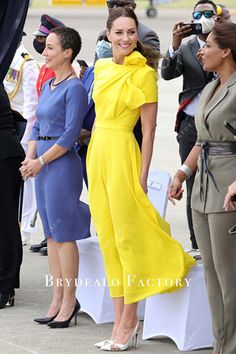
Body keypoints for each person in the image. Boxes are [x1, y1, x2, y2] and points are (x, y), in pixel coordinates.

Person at [87, 8, 196, 351]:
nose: (125, 38)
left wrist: (143, 174)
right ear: (107, 35)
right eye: (118, 32)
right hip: (97, 154)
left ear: (137, 35)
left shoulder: (144, 75)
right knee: (107, 238)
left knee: (127, 238)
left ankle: (129, 320)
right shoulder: (101, 68)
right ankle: (122, 320)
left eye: (130, 32)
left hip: (123, 152)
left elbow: (148, 131)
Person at [169, 22, 236, 354]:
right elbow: (203, 139)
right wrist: (182, 173)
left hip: (229, 189)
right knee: (212, 277)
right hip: (203, 189)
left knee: (230, 278)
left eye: (207, 45)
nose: (200, 50)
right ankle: (220, 345)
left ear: (225, 51)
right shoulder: (209, 88)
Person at [20, 27, 90, 328]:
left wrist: (41, 161)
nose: (44, 53)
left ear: (67, 53)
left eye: (50, 48)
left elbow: (71, 133)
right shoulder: (48, 83)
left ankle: (69, 300)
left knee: (64, 236)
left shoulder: (74, 88)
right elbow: (36, 126)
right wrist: (30, 157)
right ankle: (56, 298)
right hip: (42, 164)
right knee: (50, 235)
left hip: (61, 166)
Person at [161, 0, 218, 252]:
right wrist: (174, 46)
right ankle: (197, 244)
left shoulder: (225, 43)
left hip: (219, 125)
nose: (203, 17)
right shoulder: (186, 47)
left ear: (217, 17)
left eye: (209, 13)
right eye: (199, 13)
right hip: (191, 124)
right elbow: (167, 73)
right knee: (191, 182)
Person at [95, 0, 161, 149]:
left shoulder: (147, 35)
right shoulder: (103, 35)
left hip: (130, 118)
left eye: (122, 4)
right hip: (104, 116)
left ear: (133, 6)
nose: (116, 8)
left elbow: (148, 76)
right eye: (112, 4)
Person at [30, 14, 65, 255]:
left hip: (54, 146)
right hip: (40, 136)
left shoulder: (62, 74)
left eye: (45, 41)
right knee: (43, 200)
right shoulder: (44, 70)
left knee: (57, 202)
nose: (40, 45)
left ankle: (53, 234)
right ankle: (47, 235)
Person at [4, 35, 39, 245]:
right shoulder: (7, 57)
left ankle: (26, 228)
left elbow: (31, 105)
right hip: (8, 125)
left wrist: (26, 140)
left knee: (27, 184)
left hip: (22, 128)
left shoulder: (26, 62)